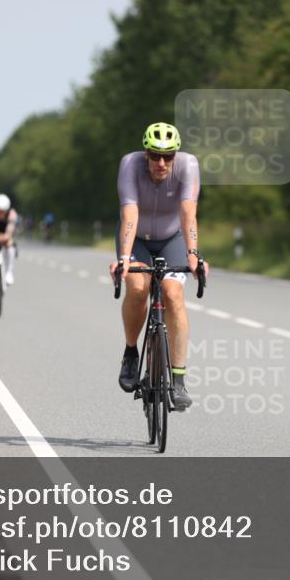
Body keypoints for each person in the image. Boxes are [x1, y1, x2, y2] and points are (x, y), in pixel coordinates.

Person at [109, 122, 207, 411]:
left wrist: (193, 254)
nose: (161, 163)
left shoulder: (188, 165)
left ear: (176, 155)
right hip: (136, 239)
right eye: (155, 156)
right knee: (139, 288)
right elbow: (130, 214)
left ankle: (178, 379)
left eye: (168, 156)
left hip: (172, 238)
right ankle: (131, 353)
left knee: (173, 294)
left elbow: (188, 212)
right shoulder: (130, 165)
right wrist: (124, 258)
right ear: (146, 154)